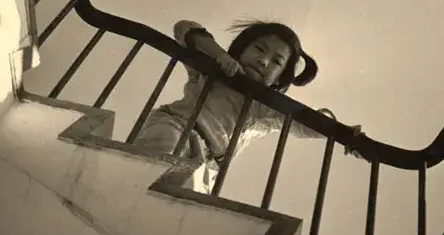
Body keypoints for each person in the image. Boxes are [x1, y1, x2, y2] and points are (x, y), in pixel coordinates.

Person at [133, 19, 362, 191]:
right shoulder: (210, 69)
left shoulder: (264, 107)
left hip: (209, 163)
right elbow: (184, 28)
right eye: (259, 49)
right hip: (175, 126)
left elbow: (303, 123)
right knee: (151, 172)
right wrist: (220, 55)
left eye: (276, 61)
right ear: (242, 49)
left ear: (279, 78)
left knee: (184, 203)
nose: (264, 61)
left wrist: (343, 134)